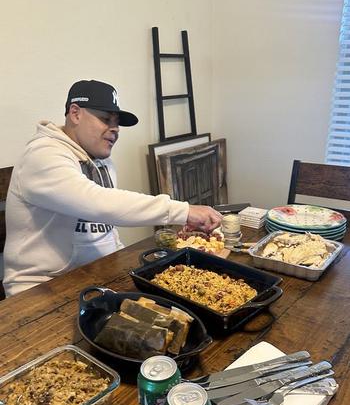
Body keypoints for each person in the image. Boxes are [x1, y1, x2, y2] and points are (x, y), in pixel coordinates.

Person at [3, 79, 222, 296]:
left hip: (98, 274)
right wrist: (183, 211)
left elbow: (108, 225)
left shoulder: (102, 160)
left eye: (116, 122)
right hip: (41, 288)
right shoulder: (42, 155)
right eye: (106, 119)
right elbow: (96, 203)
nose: (115, 129)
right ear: (75, 113)